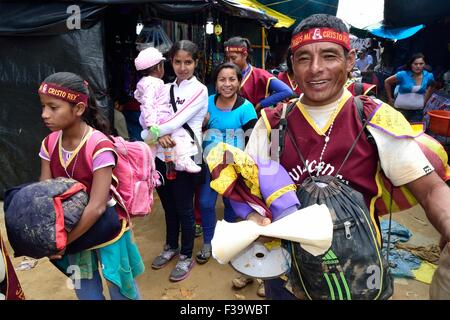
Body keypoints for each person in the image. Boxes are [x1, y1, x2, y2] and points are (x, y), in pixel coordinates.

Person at [241, 14, 450, 300]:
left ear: (350, 60)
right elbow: (250, 192)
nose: (316, 69)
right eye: (303, 58)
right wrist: (255, 218)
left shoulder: (374, 119)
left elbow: (431, 190)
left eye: (329, 56)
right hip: (288, 276)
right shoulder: (273, 123)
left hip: (358, 277)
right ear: (292, 64)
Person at [38, 72, 144, 300]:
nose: (44, 114)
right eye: (43, 106)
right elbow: (44, 193)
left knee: (122, 289)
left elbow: (97, 206)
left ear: (77, 109)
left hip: (107, 229)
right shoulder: (48, 143)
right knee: (84, 291)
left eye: (53, 107)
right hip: (72, 232)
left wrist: (63, 243)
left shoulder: (99, 146)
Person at [147, 40, 208, 282]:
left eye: (188, 62)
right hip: (163, 157)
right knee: (168, 206)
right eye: (177, 61)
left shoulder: (200, 90)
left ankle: (185, 255)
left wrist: (156, 133)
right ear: (170, 62)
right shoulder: (164, 88)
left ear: (196, 63)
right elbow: (148, 116)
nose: (182, 67)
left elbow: (173, 122)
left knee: (184, 208)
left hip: (187, 157)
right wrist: (155, 133)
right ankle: (170, 246)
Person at [197, 63, 257, 264]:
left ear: (239, 82)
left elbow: (253, 139)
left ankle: (228, 242)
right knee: (205, 203)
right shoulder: (207, 103)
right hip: (209, 163)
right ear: (215, 82)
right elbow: (195, 127)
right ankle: (208, 242)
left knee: (232, 204)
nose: (227, 84)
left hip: (234, 165)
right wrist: (202, 124)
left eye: (232, 79)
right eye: (222, 79)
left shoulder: (246, 108)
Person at [135, 46, 200, 173]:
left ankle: (151, 173)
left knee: (152, 149)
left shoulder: (144, 82)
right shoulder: (155, 83)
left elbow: (139, 97)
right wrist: (152, 127)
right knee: (179, 134)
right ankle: (183, 159)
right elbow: (148, 104)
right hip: (158, 120)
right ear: (159, 67)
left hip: (151, 120)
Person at [224, 36, 293, 114]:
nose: (230, 62)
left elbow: (286, 91)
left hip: (253, 121)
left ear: (245, 55)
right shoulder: (225, 75)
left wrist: (261, 104)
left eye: (233, 58)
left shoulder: (259, 75)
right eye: (227, 59)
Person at [384, 53, 435, 123]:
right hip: (401, 110)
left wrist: (425, 99)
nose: (418, 66)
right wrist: (390, 99)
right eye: (415, 64)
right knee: (399, 132)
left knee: (414, 132)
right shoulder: (402, 74)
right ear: (411, 64)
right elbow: (387, 82)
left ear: (425, 64)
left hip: (417, 112)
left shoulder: (428, 76)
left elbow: (433, 86)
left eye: (421, 64)